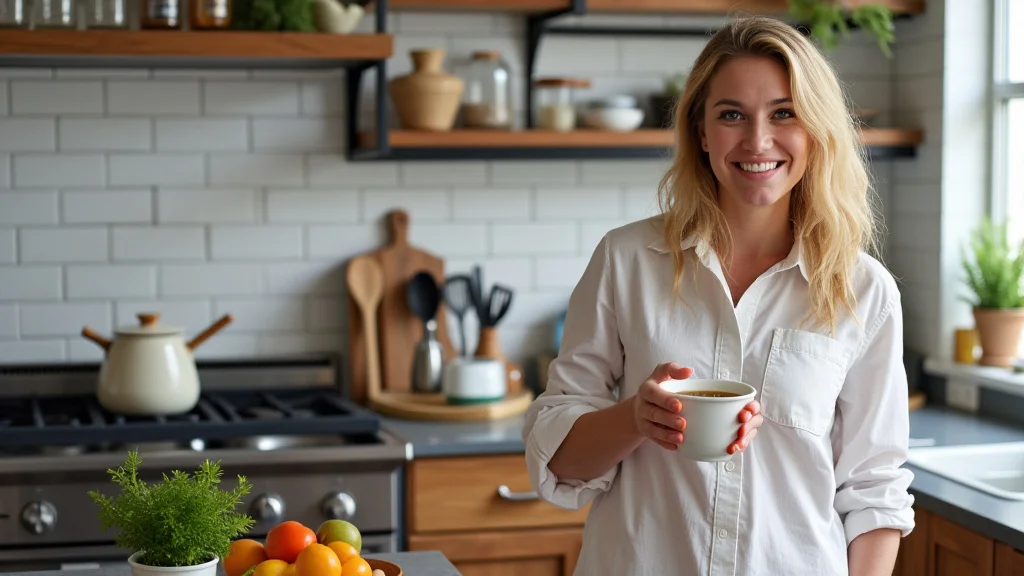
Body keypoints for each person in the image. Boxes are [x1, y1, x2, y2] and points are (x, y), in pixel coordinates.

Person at [521, 14, 915, 576]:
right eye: (731, 115)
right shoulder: (626, 260)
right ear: (701, 132)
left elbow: (875, 490)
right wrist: (636, 417)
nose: (758, 141)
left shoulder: (863, 290)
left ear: (816, 130)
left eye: (785, 113)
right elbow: (556, 453)